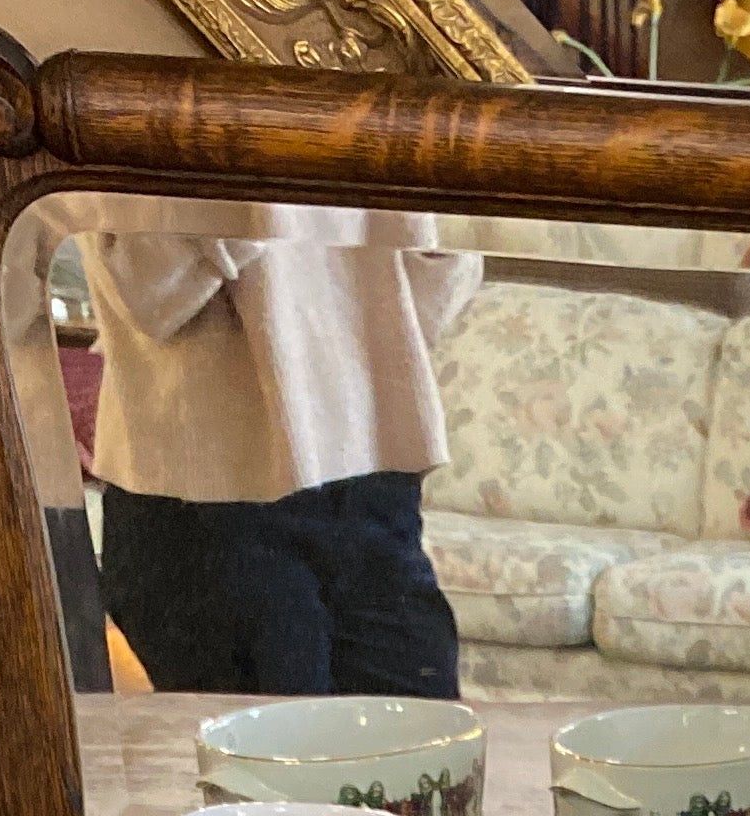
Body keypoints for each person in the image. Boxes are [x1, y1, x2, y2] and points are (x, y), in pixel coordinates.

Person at [56, 200, 482, 696]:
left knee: (426, 755)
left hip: (372, 478)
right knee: (265, 762)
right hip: (202, 497)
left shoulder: (389, 122)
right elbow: (148, 293)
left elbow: (428, 304)